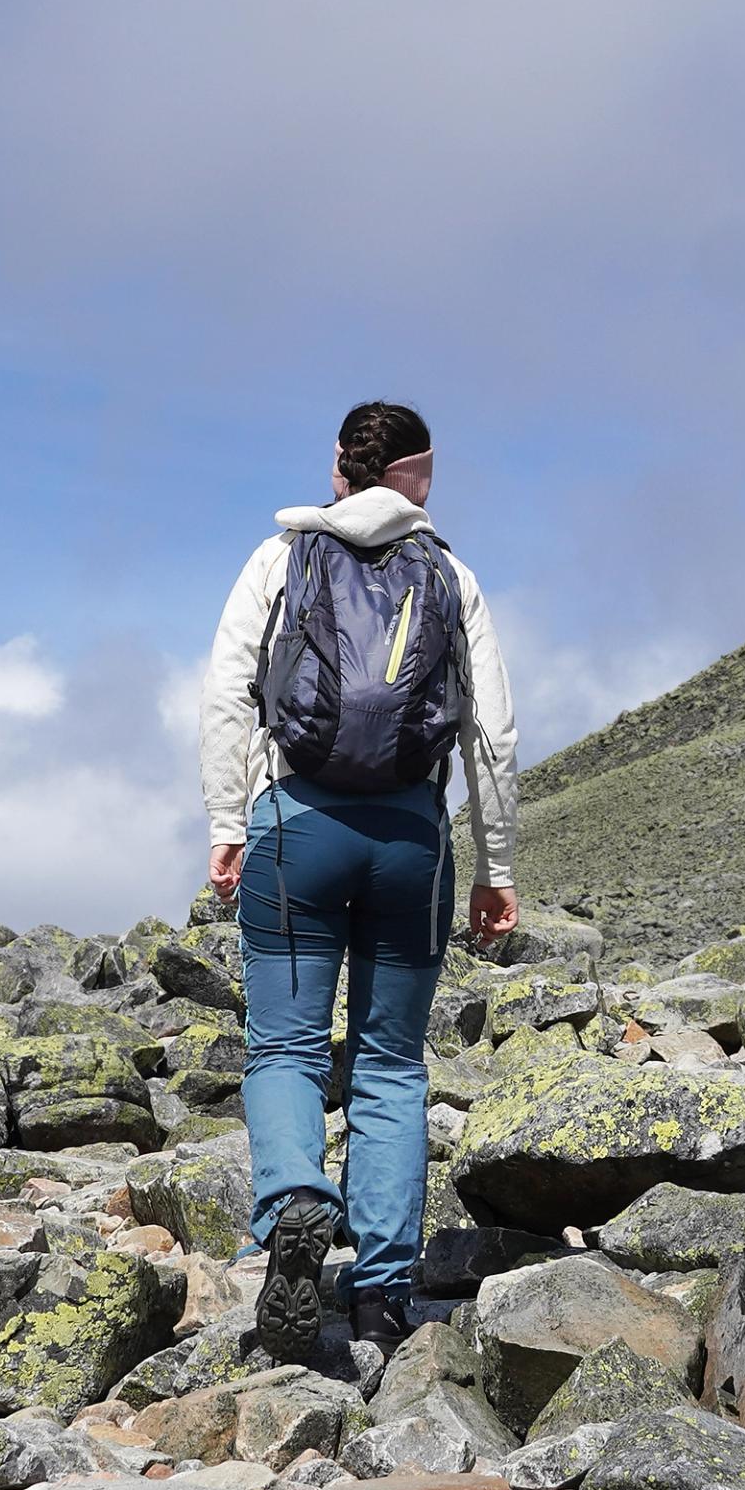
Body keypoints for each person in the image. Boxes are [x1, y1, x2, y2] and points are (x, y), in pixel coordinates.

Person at [198, 400, 519, 1364]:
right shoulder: (450, 573)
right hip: (410, 842)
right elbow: (490, 734)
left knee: (285, 1049)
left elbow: (225, 695)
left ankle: (295, 1198)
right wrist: (497, 869)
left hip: (297, 827)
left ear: (338, 466)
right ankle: (381, 1294)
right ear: (419, 477)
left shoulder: (279, 558)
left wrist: (225, 824)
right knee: (390, 1067)